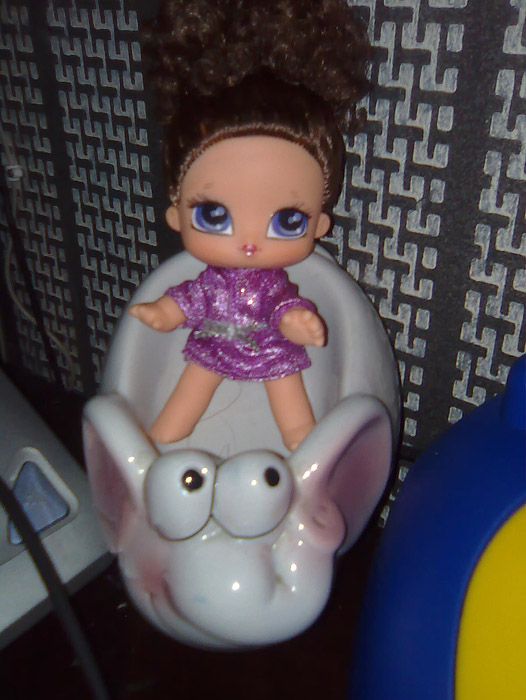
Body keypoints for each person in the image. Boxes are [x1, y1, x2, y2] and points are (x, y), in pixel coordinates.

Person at [129, 0, 370, 450]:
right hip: (214, 342)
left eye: (287, 220)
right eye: (214, 215)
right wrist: (162, 312)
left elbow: (280, 303)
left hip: (269, 345)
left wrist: (294, 320)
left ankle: (302, 443)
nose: (249, 242)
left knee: (289, 394)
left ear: (319, 224)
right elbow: (190, 297)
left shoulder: (269, 283)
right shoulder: (211, 282)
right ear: (176, 216)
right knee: (191, 387)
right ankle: (163, 438)